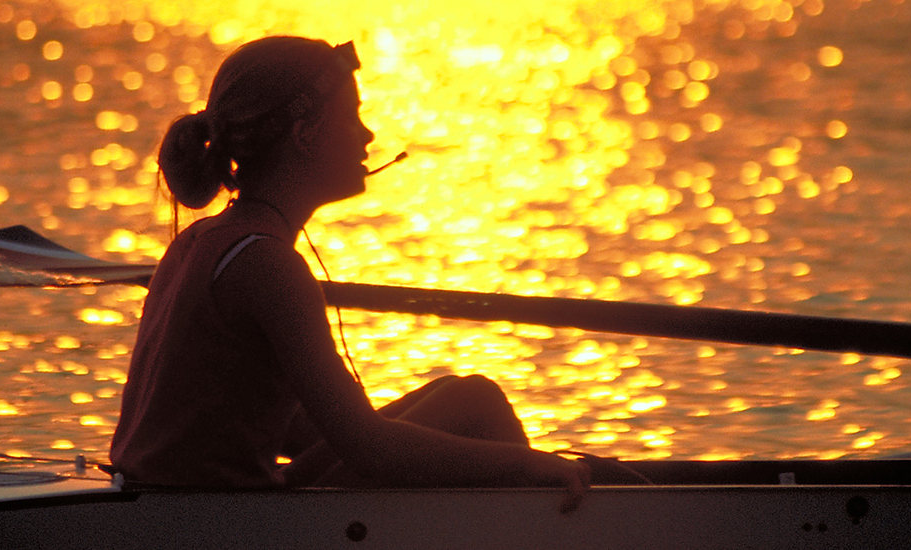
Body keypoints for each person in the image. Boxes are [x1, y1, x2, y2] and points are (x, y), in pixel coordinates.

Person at [108, 36, 588, 508]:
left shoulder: (200, 241)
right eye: (353, 115)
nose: (368, 136)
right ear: (304, 132)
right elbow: (369, 450)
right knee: (475, 404)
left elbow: (283, 425)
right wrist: (536, 466)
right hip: (214, 526)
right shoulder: (269, 266)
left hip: (175, 506)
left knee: (452, 397)